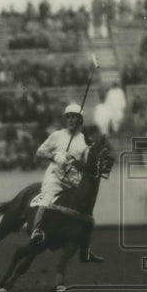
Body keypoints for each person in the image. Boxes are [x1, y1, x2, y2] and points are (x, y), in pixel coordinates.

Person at [31, 103, 103, 263]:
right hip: (54, 176)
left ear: (80, 120)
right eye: (68, 117)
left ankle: (86, 251)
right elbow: (40, 152)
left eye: (74, 117)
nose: (71, 120)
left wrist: (76, 163)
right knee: (47, 198)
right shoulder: (57, 135)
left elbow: (88, 167)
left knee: (87, 214)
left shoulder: (86, 141)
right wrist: (55, 157)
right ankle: (37, 230)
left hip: (73, 178)